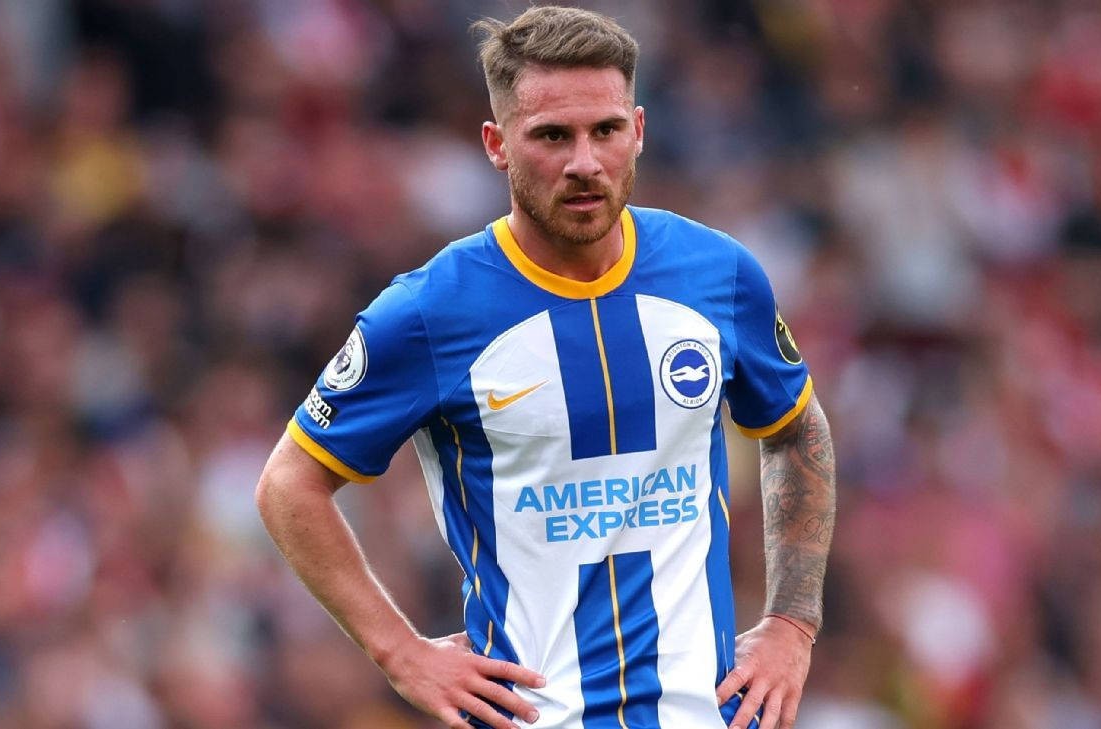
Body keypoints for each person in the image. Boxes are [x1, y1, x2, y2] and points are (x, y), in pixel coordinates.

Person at [255, 6, 836, 729]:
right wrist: (400, 653)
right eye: (553, 136)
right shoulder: (430, 311)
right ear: (497, 145)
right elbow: (290, 484)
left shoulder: (718, 274)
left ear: (639, 130)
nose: (584, 162)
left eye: (606, 131)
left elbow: (797, 429)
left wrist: (792, 623)